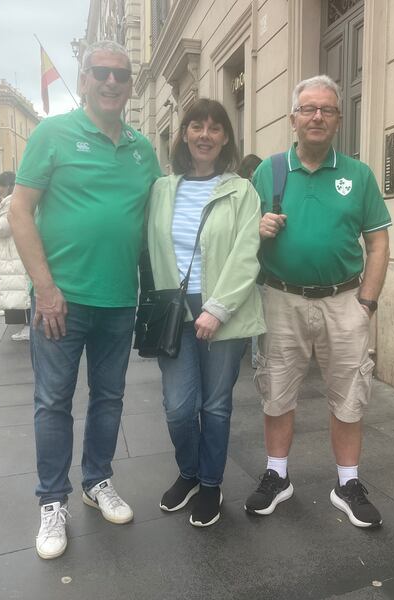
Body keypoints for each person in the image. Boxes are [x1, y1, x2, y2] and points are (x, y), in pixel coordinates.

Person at [9, 39, 161, 560]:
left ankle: (98, 481)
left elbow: (160, 220)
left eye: (121, 75)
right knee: (53, 402)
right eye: (102, 72)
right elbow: (20, 211)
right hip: (62, 301)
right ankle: (53, 502)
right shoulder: (53, 133)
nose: (112, 82)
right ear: (85, 78)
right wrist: (45, 289)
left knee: (109, 398)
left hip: (119, 300)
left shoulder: (144, 150)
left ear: (130, 84)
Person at [245, 75, 392, 528]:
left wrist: (366, 302)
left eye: (326, 110)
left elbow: (379, 243)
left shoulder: (358, 174)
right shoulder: (267, 171)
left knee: (350, 394)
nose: (317, 117)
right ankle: (277, 476)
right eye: (308, 109)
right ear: (293, 118)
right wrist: (256, 229)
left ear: (338, 120)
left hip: (344, 299)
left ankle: (347, 483)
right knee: (276, 390)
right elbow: (236, 241)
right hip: (280, 299)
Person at [147, 99, 264, 527]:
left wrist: (217, 308)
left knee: (215, 406)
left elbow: (246, 254)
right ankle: (189, 473)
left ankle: (210, 483)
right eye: (196, 126)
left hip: (223, 310)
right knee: (179, 407)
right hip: (173, 310)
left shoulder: (241, 190)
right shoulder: (162, 189)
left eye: (215, 128)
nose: (205, 135)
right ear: (183, 134)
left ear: (227, 139)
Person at [0, 171, 29, 341]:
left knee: (21, 291)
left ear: (9, 186)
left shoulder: (12, 202)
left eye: (1, 186)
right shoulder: (15, 200)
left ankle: (28, 326)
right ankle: (27, 326)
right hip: (15, 252)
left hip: (14, 252)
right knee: (19, 289)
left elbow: (1, 228)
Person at [236, 153, 264, 369]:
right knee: (257, 310)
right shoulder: (246, 192)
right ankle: (256, 358)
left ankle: (255, 355)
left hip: (257, 262)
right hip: (253, 261)